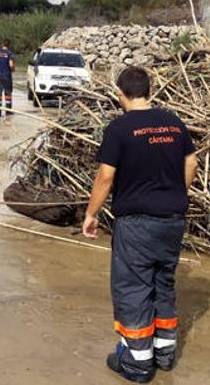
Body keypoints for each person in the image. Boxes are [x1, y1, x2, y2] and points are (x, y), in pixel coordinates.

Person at [82, 66, 198, 383]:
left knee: (133, 288)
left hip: (137, 223)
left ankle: (137, 362)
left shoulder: (120, 129)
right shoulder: (174, 123)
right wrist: (176, 193)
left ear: (121, 94)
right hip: (172, 220)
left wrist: (91, 214)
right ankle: (164, 353)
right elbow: (191, 161)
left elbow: (106, 176)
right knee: (163, 283)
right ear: (149, 90)